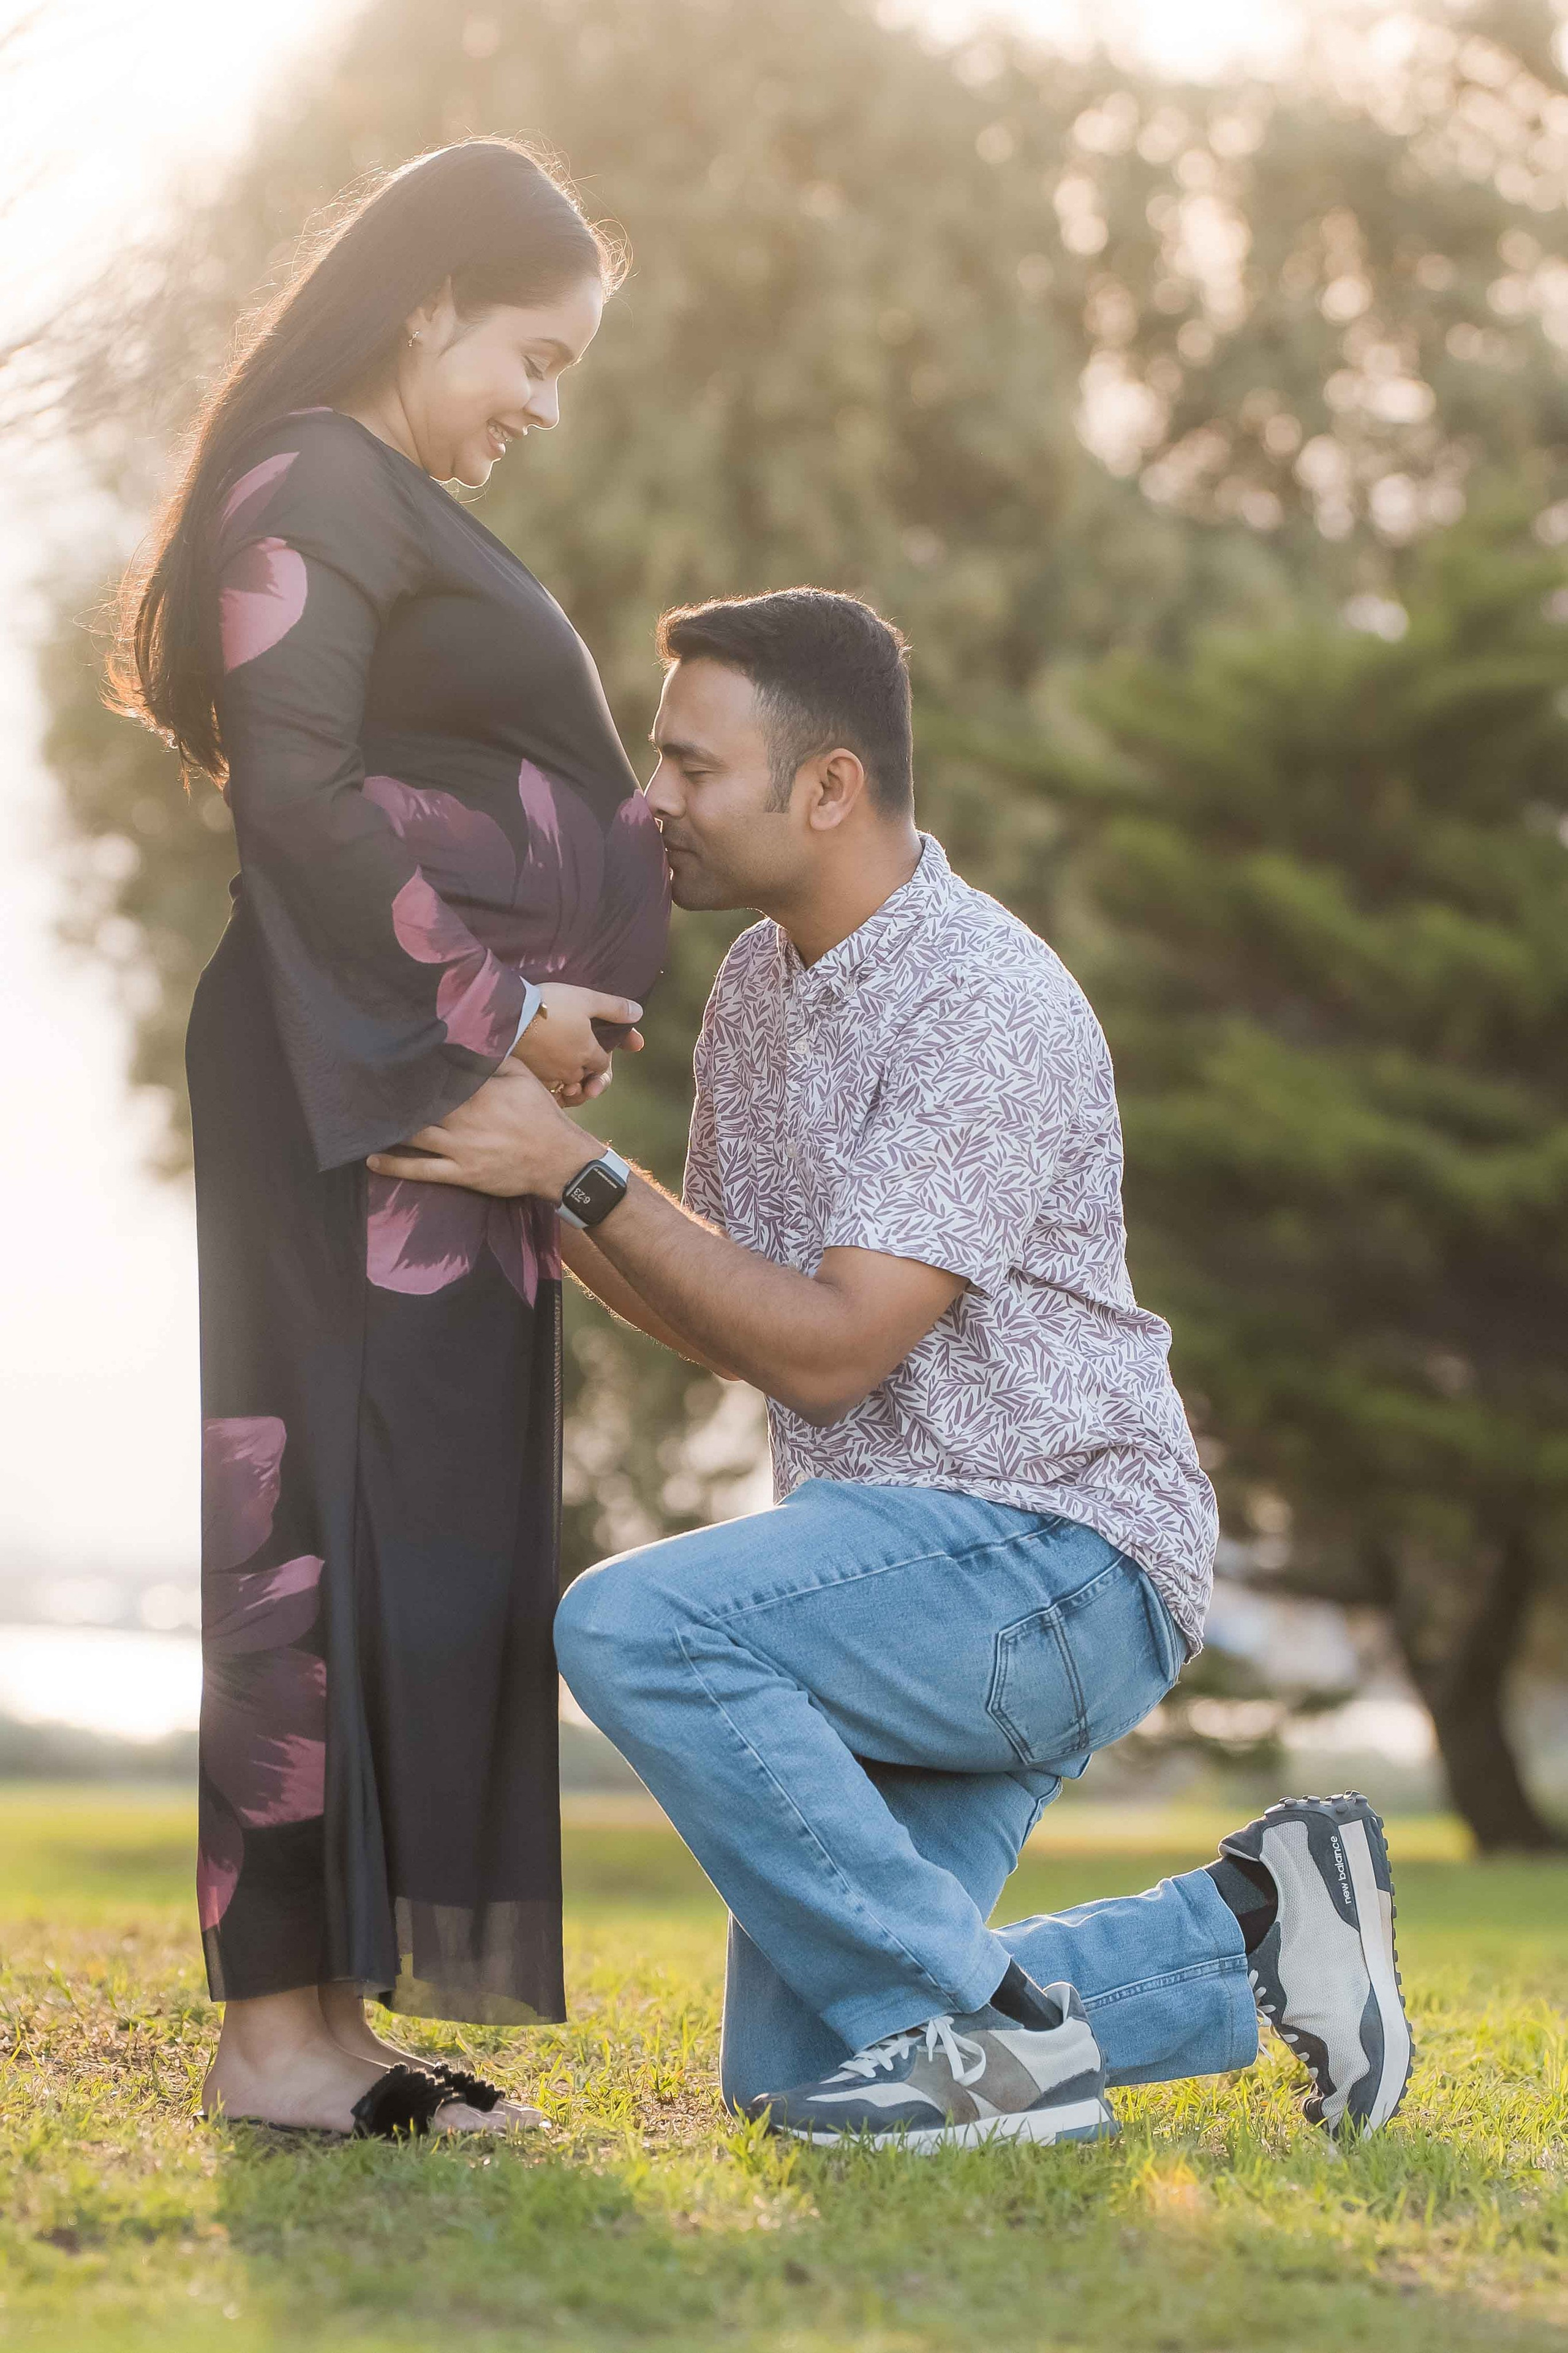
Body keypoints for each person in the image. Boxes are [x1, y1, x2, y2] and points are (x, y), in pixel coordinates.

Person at [368, 588, 1413, 2150]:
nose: (651, 800)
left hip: (1052, 1559)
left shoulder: (982, 1001)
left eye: (690, 764)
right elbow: (730, 1307)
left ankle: (1005, 2047)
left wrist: (575, 1168)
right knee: (811, 2075)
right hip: (891, 1588)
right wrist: (537, 1171)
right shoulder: (759, 995)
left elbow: (839, 1348)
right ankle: (1256, 1924)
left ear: (828, 786)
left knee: (633, 1623)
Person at [108, 140, 669, 2139]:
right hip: (345, 1074)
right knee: (304, 1528)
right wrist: (504, 1005)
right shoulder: (313, 483)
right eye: (534, 351)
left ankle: (328, 2022)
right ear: (430, 300)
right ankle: (271, 2035)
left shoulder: (370, 496)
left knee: (389, 1520)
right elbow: (303, 797)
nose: (542, 401)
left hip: (403, 1087)